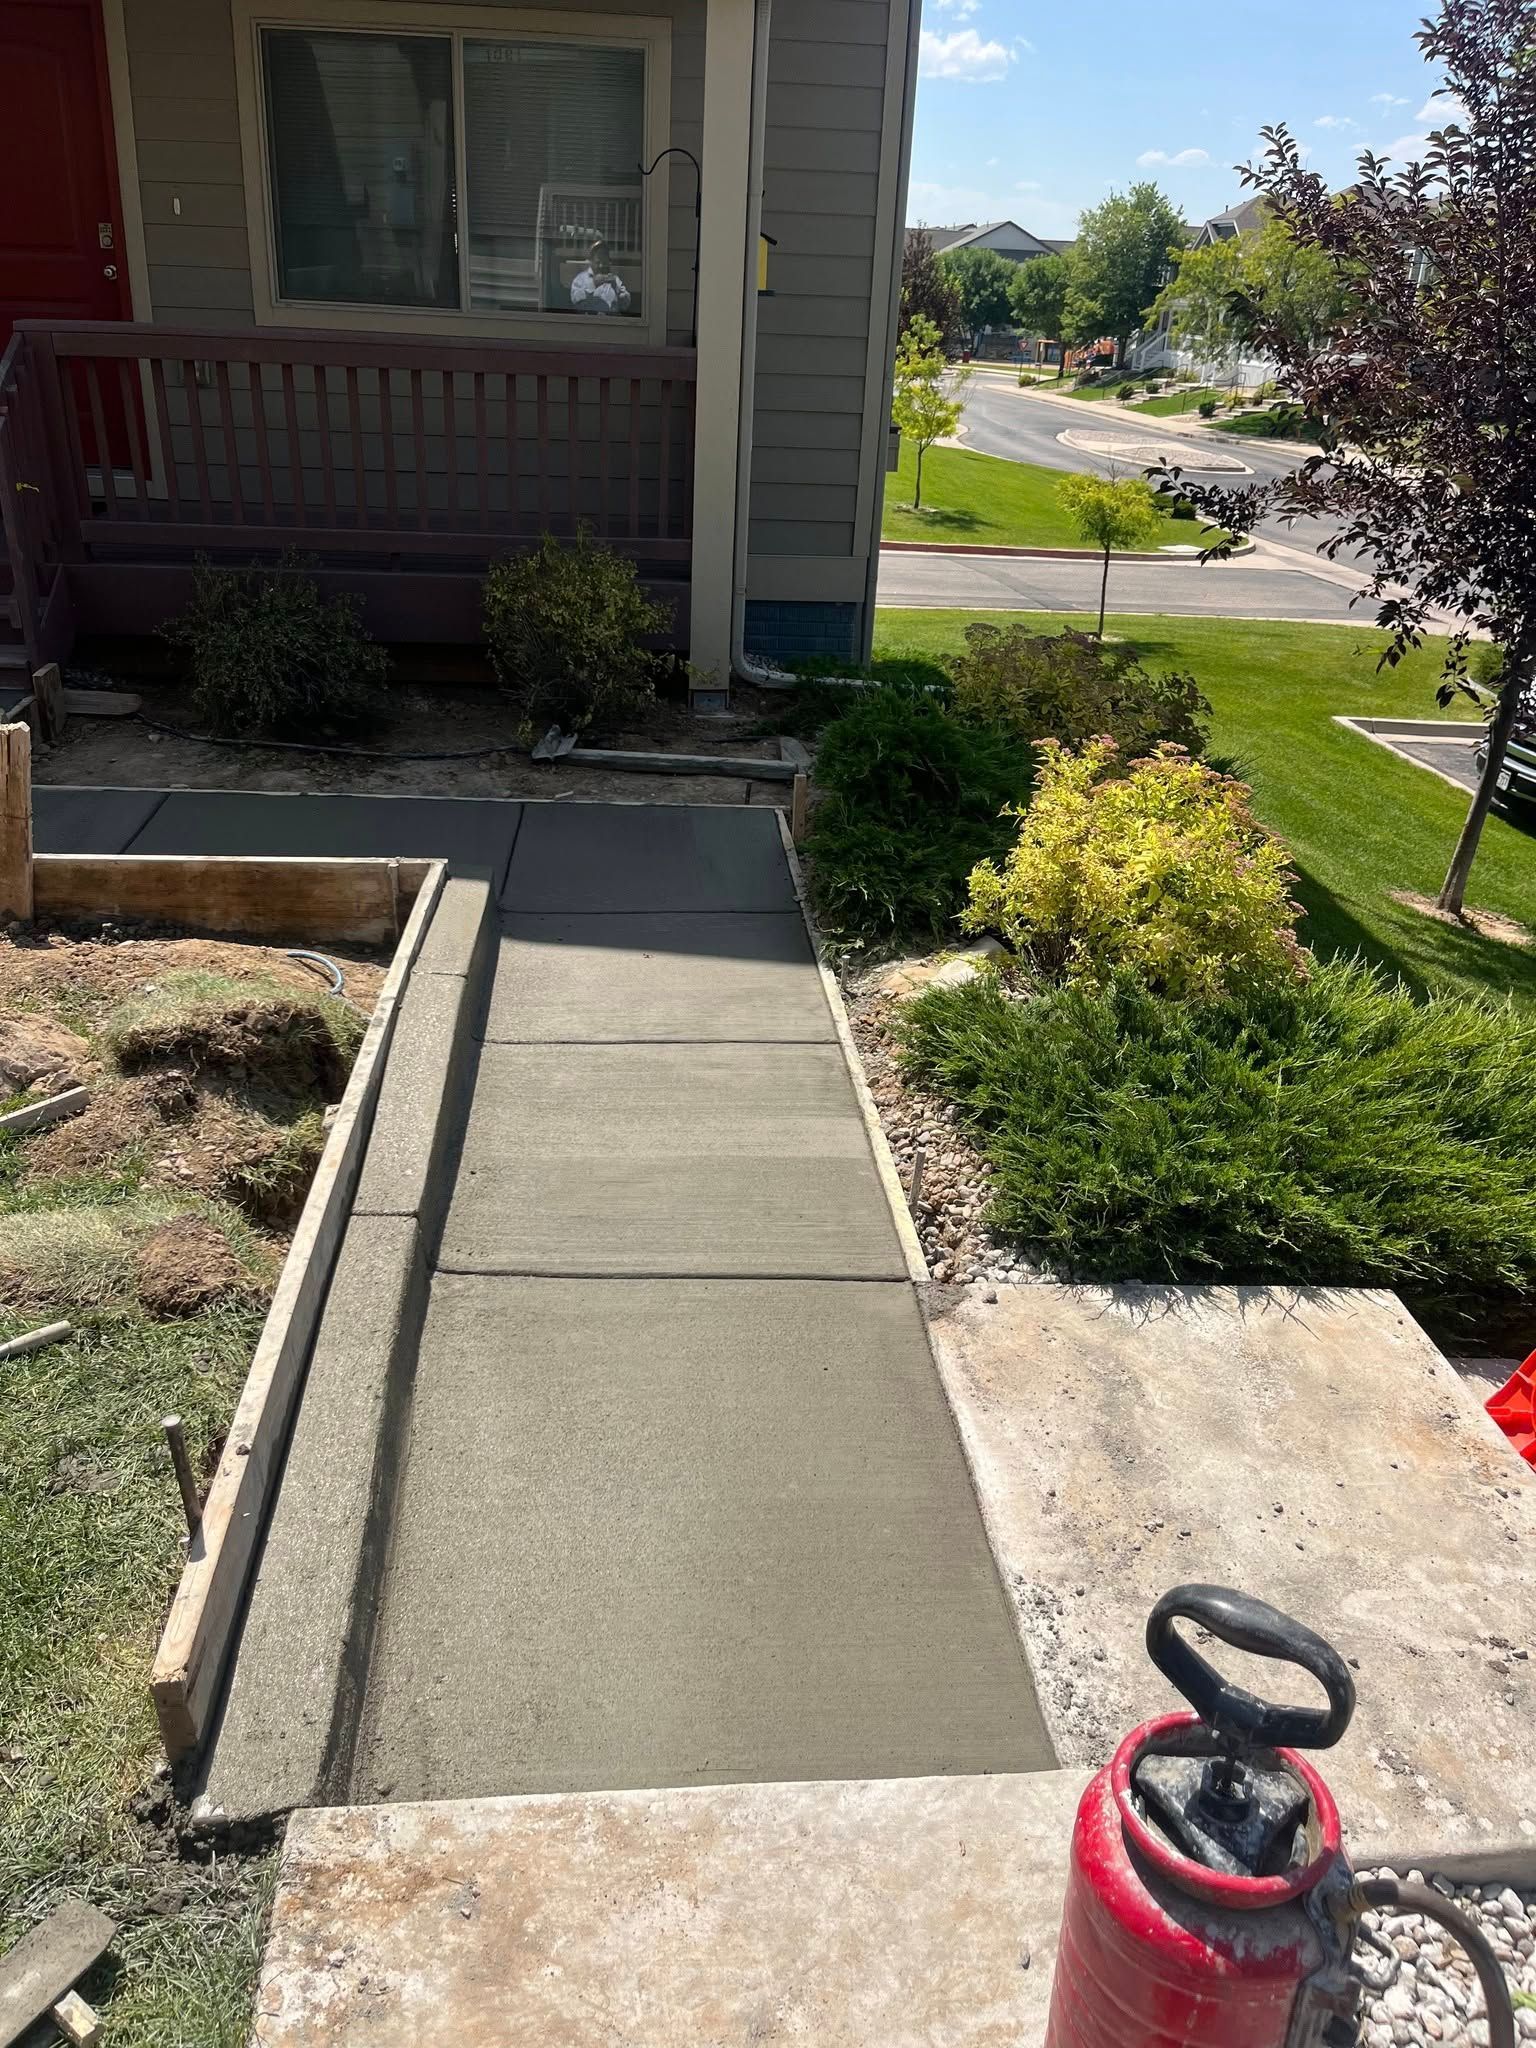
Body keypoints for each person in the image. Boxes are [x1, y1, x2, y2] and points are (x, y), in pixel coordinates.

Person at [570, 238, 631, 316]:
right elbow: (575, 299)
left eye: (604, 262)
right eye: (597, 262)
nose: (601, 266)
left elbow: (625, 306)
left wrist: (622, 296)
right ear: (591, 261)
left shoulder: (615, 279)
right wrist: (593, 284)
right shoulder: (581, 278)